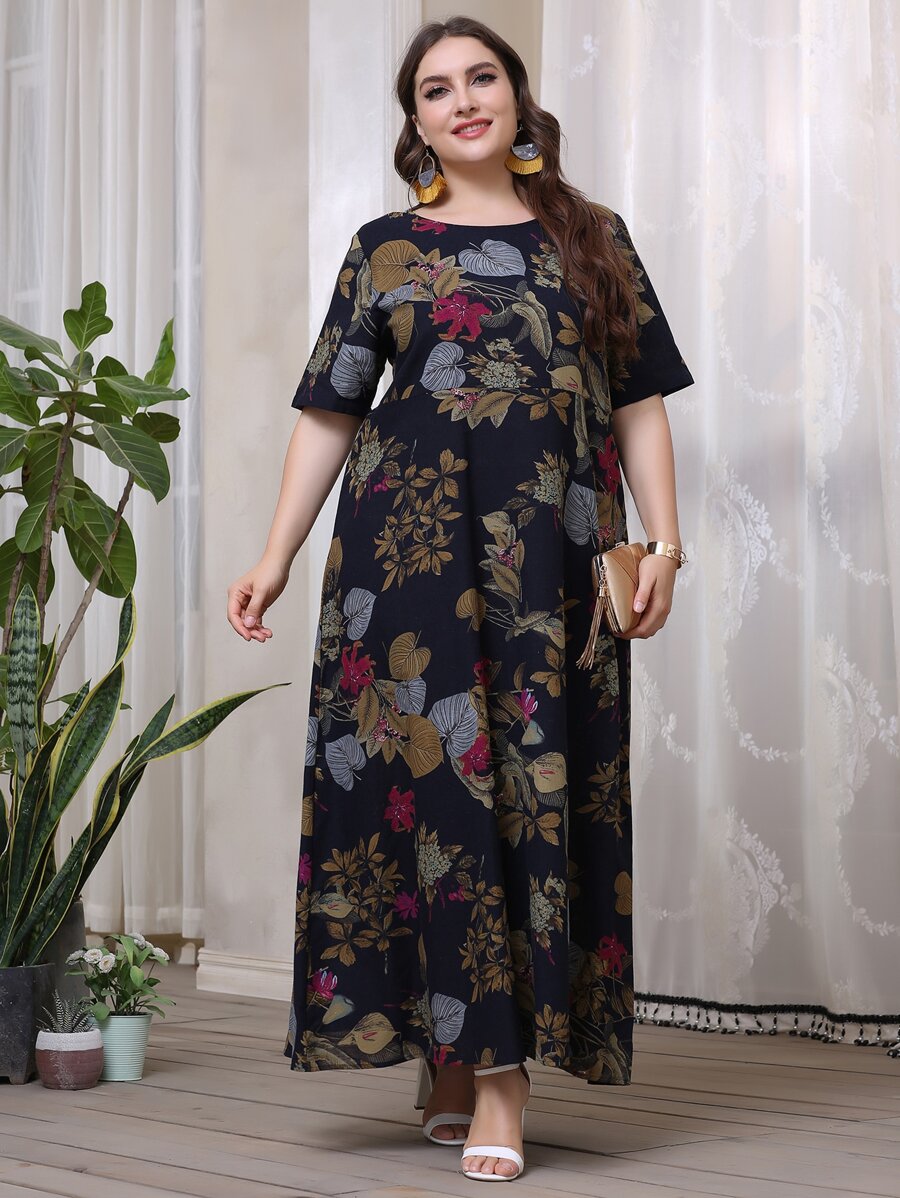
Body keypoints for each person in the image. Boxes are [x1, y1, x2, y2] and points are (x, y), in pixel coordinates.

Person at [226, 14, 693, 1184]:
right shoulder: (384, 250)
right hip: (406, 562)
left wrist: (666, 543)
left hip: (552, 563)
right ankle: (466, 1063)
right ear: (418, 125)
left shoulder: (594, 239)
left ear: (519, 99)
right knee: (429, 793)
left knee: (530, 793)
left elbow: (639, 398)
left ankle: (496, 1073)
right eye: (437, 89)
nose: (465, 99)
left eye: (483, 77)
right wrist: (276, 553)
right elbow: (330, 410)